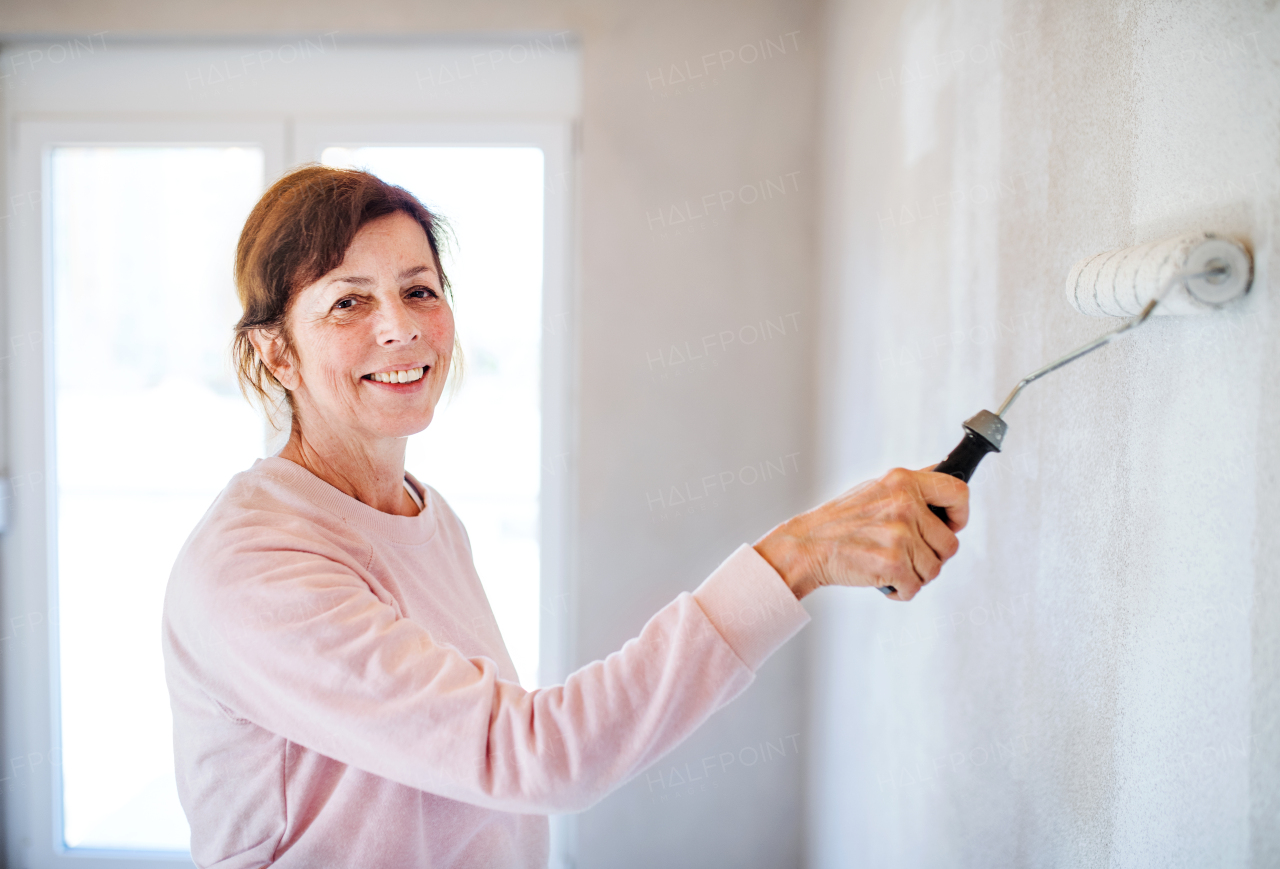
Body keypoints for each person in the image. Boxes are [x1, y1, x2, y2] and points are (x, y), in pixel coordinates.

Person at [161, 165, 968, 868]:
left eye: (418, 289)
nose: (401, 325)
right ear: (276, 351)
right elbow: (529, 756)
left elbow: (472, 785)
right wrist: (796, 558)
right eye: (348, 302)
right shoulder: (255, 566)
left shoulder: (423, 515)